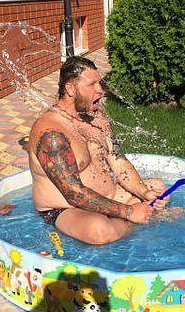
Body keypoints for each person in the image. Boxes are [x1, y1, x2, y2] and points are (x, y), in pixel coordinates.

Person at [28, 56, 172, 245]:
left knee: (158, 188)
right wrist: (130, 212)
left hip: (107, 195)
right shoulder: (51, 134)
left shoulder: (98, 119)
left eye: (100, 83)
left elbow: (118, 161)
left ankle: (133, 214)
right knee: (100, 231)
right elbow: (74, 193)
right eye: (92, 84)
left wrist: (144, 192)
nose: (100, 90)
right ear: (70, 89)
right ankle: (136, 217)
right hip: (67, 208)